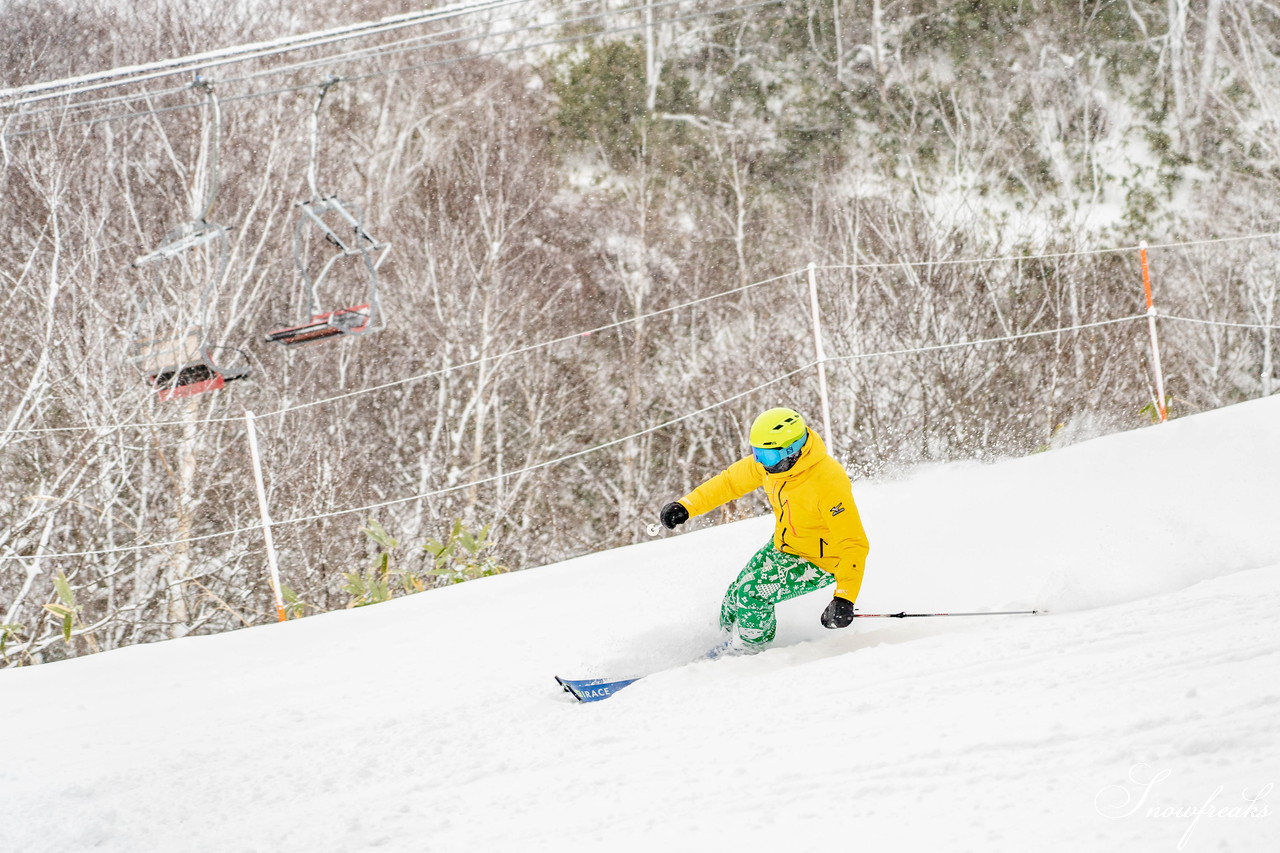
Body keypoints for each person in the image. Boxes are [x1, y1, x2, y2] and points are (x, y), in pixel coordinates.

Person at [660, 407, 870, 651]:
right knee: (735, 595)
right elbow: (729, 482)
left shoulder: (827, 482)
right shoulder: (772, 466)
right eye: (757, 453)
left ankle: (750, 654)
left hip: (821, 561)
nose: (760, 462)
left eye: (767, 456)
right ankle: (722, 643)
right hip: (785, 545)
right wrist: (686, 506)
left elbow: (853, 543)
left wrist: (844, 597)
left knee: (752, 594)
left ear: (792, 451)